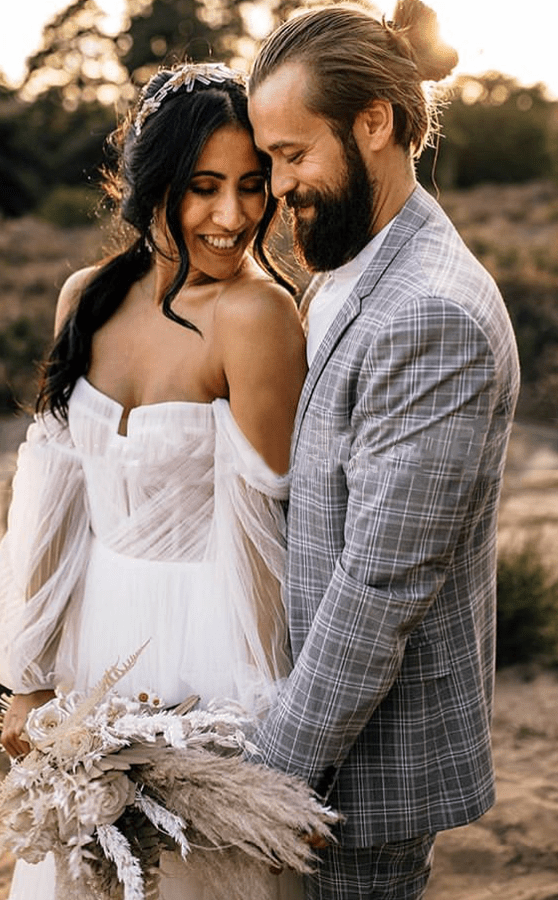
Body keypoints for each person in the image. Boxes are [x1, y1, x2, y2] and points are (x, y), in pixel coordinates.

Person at [0, 61, 307, 900]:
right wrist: (30, 678)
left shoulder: (258, 317)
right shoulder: (85, 296)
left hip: (207, 646)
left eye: (251, 185)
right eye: (202, 186)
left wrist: (270, 705)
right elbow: (50, 501)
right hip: (91, 634)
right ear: (147, 183)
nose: (233, 215)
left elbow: (276, 527)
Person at [246, 2, 520, 898]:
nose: (276, 186)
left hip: (355, 775)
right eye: (269, 159)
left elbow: (378, 588)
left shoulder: (429, 313)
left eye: (293, 155)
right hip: (314, 736)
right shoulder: (347, 261)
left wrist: (266, 777)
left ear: (376, 123)